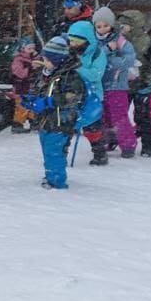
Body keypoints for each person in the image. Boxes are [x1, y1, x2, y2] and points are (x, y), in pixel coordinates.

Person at [22, 36, 86, 190]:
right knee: (48, 150)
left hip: (61, 121)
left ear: (59, 60)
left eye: (48, 59)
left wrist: (48, 102)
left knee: (54, 152)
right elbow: (38, 89)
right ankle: (52, 174)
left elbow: (73, 96)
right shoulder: (45, 73)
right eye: (44, 58)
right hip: (46, 121)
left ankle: (56, 182)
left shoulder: (70, 76)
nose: (44, 62)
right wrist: (31, 99)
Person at [117, 10, 151, 158]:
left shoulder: (148, 43)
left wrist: (148, 79)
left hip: (142, 86)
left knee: (142, 115)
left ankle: (147, 144)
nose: (121, 27)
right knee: (118, 114)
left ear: (135, 26)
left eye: (125, 25)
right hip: (121, 85)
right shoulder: (118, 40)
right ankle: (116, 139)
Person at [93, 7, 137, 159]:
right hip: (98, 85)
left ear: (111, 25)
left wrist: (112, 62)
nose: (102, 29)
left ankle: (128, 144)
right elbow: (94, 57)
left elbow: (130, 58)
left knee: (119, 115)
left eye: (105, 25)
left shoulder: (120, 40)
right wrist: (106, 51)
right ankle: (107, 140)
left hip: (116, 85)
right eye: (98, 26)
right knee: (102, 115)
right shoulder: (94, 41)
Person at [66, 20, 108, 165]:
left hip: (92, 95)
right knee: (67, 125)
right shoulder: (68, 51)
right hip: (72, 93)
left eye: (77, 41)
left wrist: (77, 68)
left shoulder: (97, 53)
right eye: (71, 40)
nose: (73, 44)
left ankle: (99, 153)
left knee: (92, 127)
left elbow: (96, 74)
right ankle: (61, 153)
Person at [9, 38, 38, 133]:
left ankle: (34, 121)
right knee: (21, 105)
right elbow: (19, 72)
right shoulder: (18, 59)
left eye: (33, 48)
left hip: (31, 86)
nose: (31, 50)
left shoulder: (33, 58)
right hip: (21, 86)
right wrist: (30, 69)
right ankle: (17, 124)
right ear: (22, 49)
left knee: (33, 104)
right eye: (29, 48)